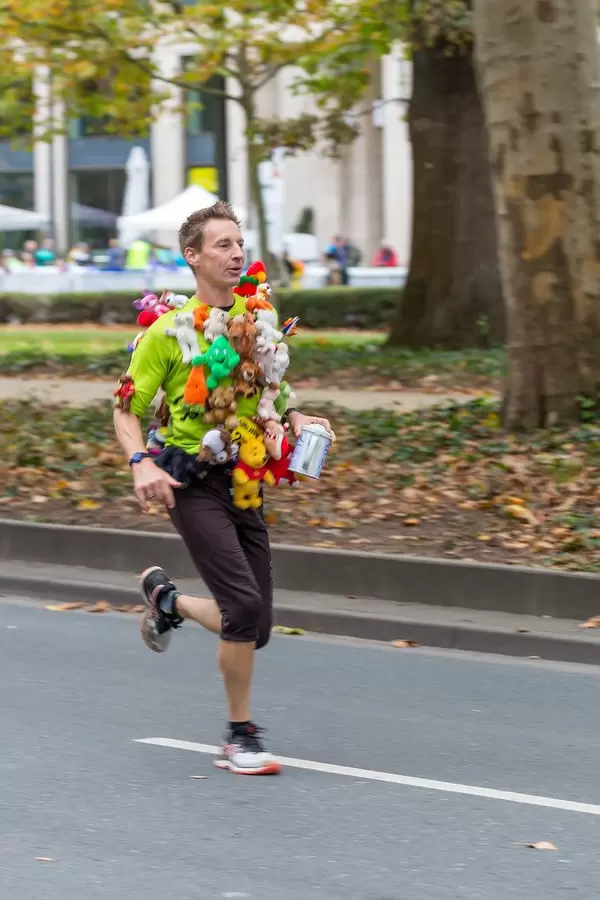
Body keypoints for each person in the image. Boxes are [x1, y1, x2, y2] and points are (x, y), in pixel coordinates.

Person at [113, 201, 334, 776]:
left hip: (245, 482)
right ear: (193, 257)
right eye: (222, 245)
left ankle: (167, 602)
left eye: (239, 243)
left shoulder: (259, 318)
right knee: (242, 608)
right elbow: (124, 410)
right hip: (190, 480)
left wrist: (299, 419)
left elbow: (269, 392)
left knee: (255, 627)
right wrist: (141, 461)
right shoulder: (165, 333)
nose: (236, 253)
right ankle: (240, 735)